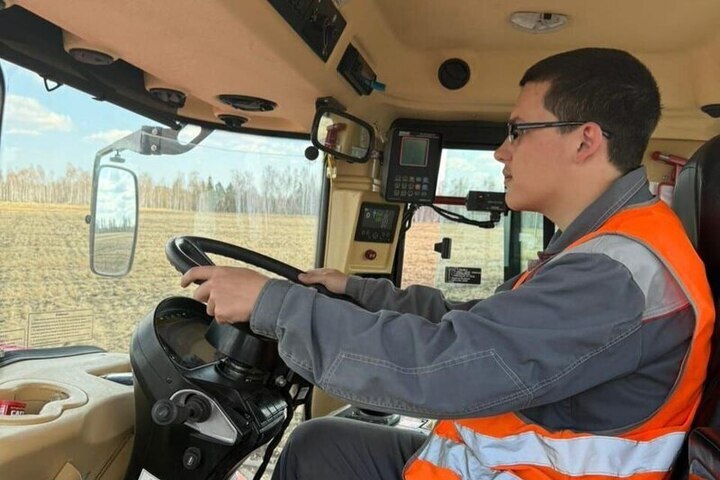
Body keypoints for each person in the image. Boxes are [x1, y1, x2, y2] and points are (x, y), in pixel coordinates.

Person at [180, 48, 715, 480]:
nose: (502, 152)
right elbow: (481, 325)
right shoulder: (607, 248)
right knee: (320, 444)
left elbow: (446, 367)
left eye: (517, 131)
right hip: (486, 465)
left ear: (585, 140)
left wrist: (275, 305)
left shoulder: (614, 275)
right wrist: (358, 292)